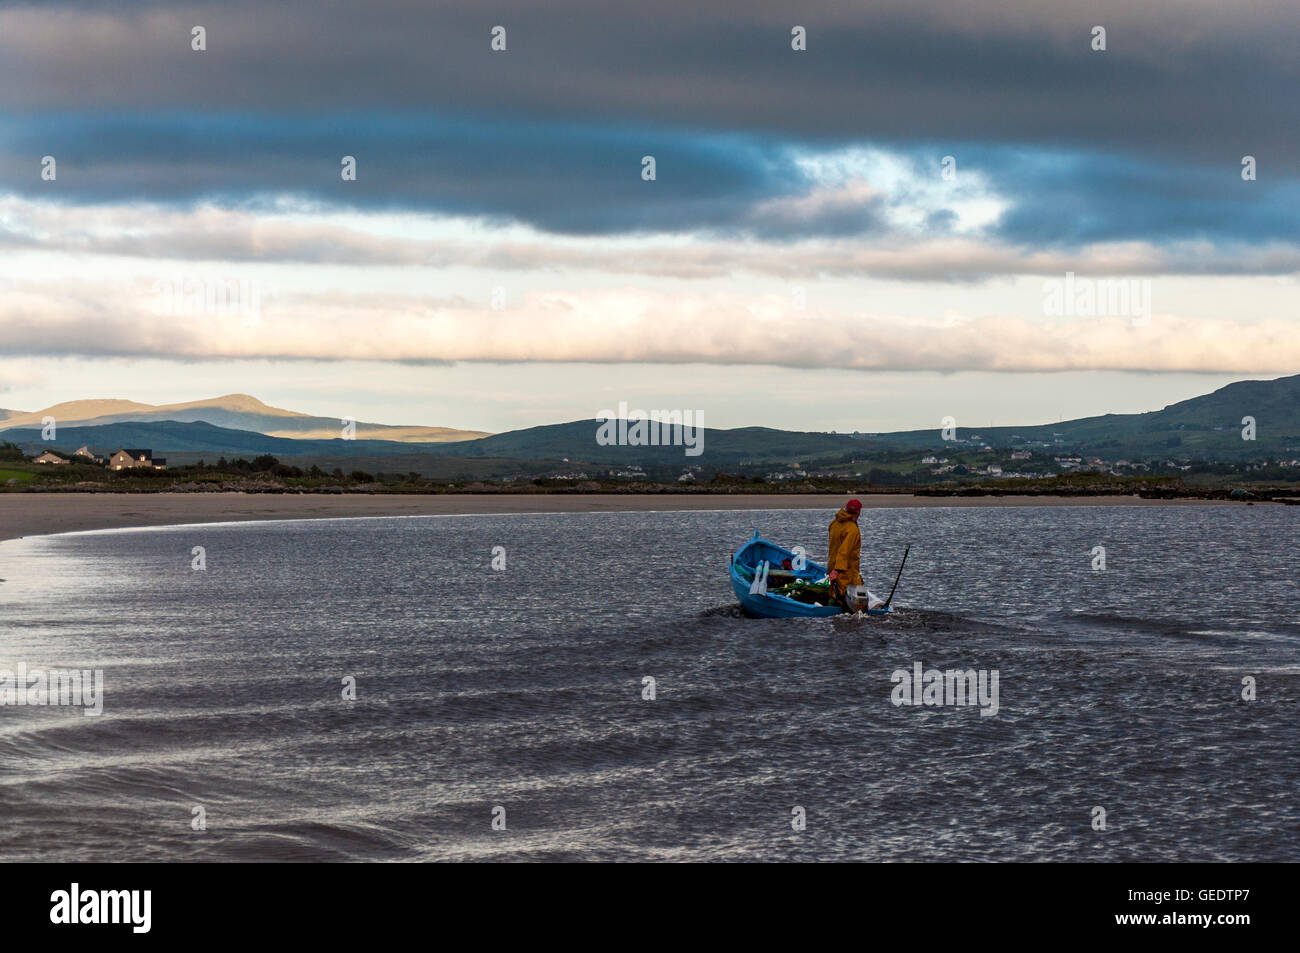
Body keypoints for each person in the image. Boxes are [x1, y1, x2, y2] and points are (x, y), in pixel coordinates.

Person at [827, 498, 863, 609]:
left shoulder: (835, 523)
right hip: (844, 568)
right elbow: (844, 551)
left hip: (832, 563)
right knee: (841, 594)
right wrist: (837, 570)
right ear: (858, 512)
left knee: (835, 590)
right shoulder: (852, 529)